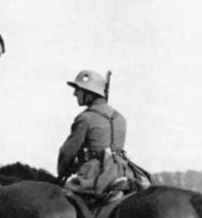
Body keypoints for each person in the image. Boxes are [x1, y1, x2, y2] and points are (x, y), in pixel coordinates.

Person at [58, 70, 150, 198]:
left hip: (95, 178)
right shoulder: (120, 118)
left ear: (90, 94)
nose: (75, 93)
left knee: (63, 198)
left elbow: (66, 153)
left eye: (78, 89)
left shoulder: (85, 118)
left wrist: (62, 173)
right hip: (124, 173)